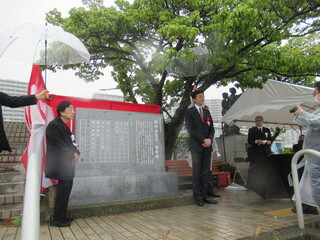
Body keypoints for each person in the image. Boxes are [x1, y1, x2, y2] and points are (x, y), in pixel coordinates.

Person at [46, 101, 80, 227]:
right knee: (63, 190)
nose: (73, 112)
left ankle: (62, 216)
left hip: (67, 164)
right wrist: (72, 153)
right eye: (70, 109)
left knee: (66, 190)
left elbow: (72, 143)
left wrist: (76, 151)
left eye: (73, 109)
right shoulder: (54, 125)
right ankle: (56, 219)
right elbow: (58, 144)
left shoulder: (65, 127)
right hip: (60, 163)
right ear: (61, 111)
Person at [291, 81, 320, 215]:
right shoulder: (318, 108)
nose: (315, 96)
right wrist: (300, 114)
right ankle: (307, 205)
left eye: (316, 93)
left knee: (316, 183)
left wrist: (302, 113)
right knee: (309, 182)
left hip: (316, 153)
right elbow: (312, 119)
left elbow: (316, 122)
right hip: (313, 154)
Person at [184, 89, 218, 206]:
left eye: (203, 96)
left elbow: (212, 128)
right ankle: (197, 196)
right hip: (197, 147)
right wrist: (202, 140)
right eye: (199, 96)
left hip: (207, 147)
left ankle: (205, 196)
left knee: (205, 173)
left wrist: (209, 140)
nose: (202, 98)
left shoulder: (207, 112)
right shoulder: (189, 112)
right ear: (194, 99)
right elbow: (191, 129)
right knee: (197, 172)